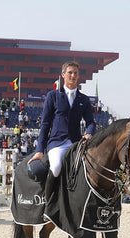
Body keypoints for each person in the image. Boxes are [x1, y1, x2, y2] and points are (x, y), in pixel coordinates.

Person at [28, 60, 95, 201]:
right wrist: (40, 150)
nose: (73, 75)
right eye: (70, 72)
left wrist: (89, 133)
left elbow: (91, 122)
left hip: (76, 144)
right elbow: (45, 124)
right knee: (57, 166)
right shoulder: (53, 96)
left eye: (75, 73)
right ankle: (48, 202)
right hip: (57, 142)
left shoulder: (84, 99)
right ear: (63, 75)